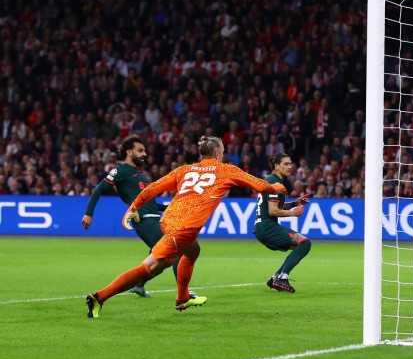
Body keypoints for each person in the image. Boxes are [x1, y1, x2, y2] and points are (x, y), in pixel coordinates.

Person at [85, 136, 286, 318]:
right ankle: (99, 297)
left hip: (169, 220)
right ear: (217, 154)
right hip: (183, 229)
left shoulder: (185, 169)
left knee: (193, 251)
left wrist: (134, 207)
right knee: (149, 269)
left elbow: (153, 188)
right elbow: (261, 186)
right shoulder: (227, 170)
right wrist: (276, 187)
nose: (223, 154)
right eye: (223, 151)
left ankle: (182, 297)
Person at [81, 135, 172, 298]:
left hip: (154, 217)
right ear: (129, 152)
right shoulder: (121, 171)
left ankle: (139, 286)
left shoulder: (140, 175)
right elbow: (99, 188)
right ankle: (184, 295)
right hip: (143, 219)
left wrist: (170, 206)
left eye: (145, 151)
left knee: (160, 260)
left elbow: (152, 203)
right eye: (140, 150)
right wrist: (89, 213)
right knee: (173, 250)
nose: (145, 154)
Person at [254, 152, 311, 293]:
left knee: (300, 244)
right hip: (267, 227)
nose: (290, 166)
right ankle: (281, 277)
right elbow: (273, 211)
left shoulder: (271, 180)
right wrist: (293, 213)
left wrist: (294, 203)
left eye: (290, 163)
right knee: (304, 243)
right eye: (286, 164)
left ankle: (276, 278)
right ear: (276, 166)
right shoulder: (275, 183)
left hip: (264, 226)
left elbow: (275, 207)